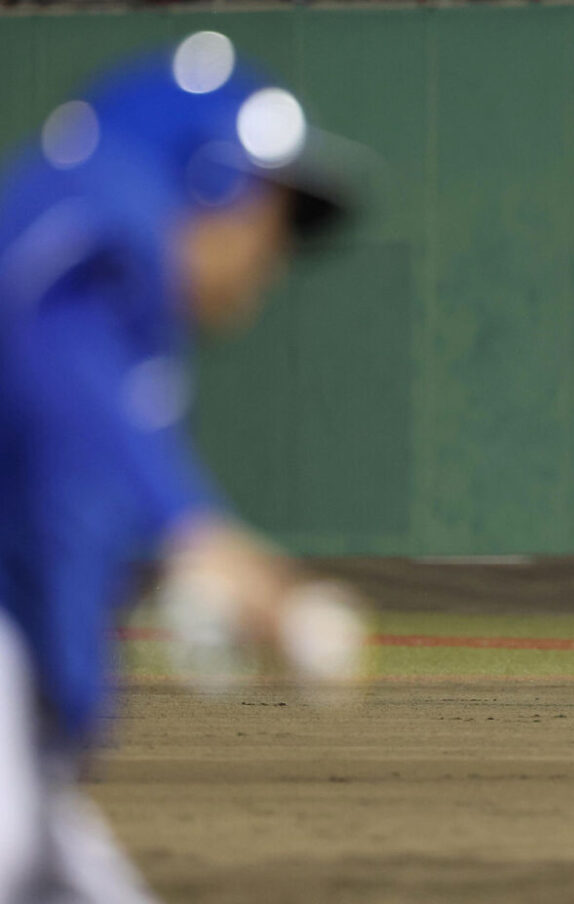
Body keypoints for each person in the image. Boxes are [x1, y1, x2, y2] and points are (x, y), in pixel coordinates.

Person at [0, 31, 361, 902]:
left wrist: (165, 565)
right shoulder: (101, 229)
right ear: (211, 180)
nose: (274, 257)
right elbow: (46, 332)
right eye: (271, 218)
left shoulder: (130, 337)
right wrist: (192, 531)